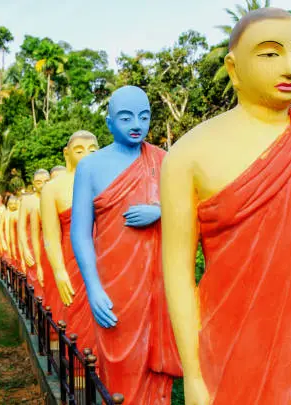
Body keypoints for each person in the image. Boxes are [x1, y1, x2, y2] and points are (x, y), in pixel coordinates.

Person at [160, 8, 291, 405]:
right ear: (233, 67)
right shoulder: (189, 155)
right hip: (225, 352)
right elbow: (176, 273)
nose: (290, 67)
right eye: (270, 53)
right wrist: (192, 373)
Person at [70, 86, 182, 403]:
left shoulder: (164, 162)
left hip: (157, 284)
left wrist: (161, 212)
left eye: (144, 116)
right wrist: (92, 287)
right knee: (117, 362)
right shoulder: (90, 167)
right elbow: (80, 232)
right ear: (108, 123)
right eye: (126, 116)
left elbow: (192, 215)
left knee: (155, 366)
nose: (136, 123)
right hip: (113, 282)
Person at [41, 131, 99, 351]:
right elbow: (50, 236)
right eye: (79, 150)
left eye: (92, 149)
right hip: (73, 259)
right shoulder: (53, 189)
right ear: (67, 154)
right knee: (77, 312)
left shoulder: (108, 179)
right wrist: (58, 270)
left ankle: (110, 376)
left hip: (106, 255)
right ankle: (79, 374)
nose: (86, 154)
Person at [19, 170, 50, 294]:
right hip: (32, 246)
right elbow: (21, 228)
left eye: (46, 182)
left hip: (49, 244)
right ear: (33, 183)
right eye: (38, 182)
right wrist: (25, 249)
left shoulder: (53, 197)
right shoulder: (27, 201)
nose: (42, 185)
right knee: (36, 281)